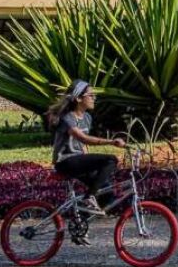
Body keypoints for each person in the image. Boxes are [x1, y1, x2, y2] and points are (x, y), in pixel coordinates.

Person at [48, 80, 125, 244]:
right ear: (78, 99)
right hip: (65, 162)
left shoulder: (87, 118)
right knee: (111, 159)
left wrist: (90, 163)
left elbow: (82, 147)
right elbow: (82, 138)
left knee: (107, 194)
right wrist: (111, 142)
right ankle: (88, 197)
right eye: (90, 95)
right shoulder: (67, 118)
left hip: (78, 161)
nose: (94, 98)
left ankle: (79, 227)